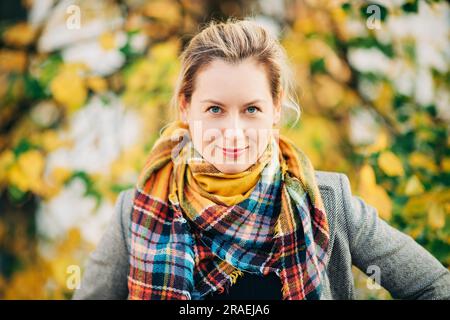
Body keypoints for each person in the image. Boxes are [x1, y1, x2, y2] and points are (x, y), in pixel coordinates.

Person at [72, 18, 450, 300]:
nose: (233, 131)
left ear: (274, 109)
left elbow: (434, 287)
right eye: (215, 109)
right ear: (186, 108)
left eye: (251, 109)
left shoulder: (329, 202)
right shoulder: (138, 211)